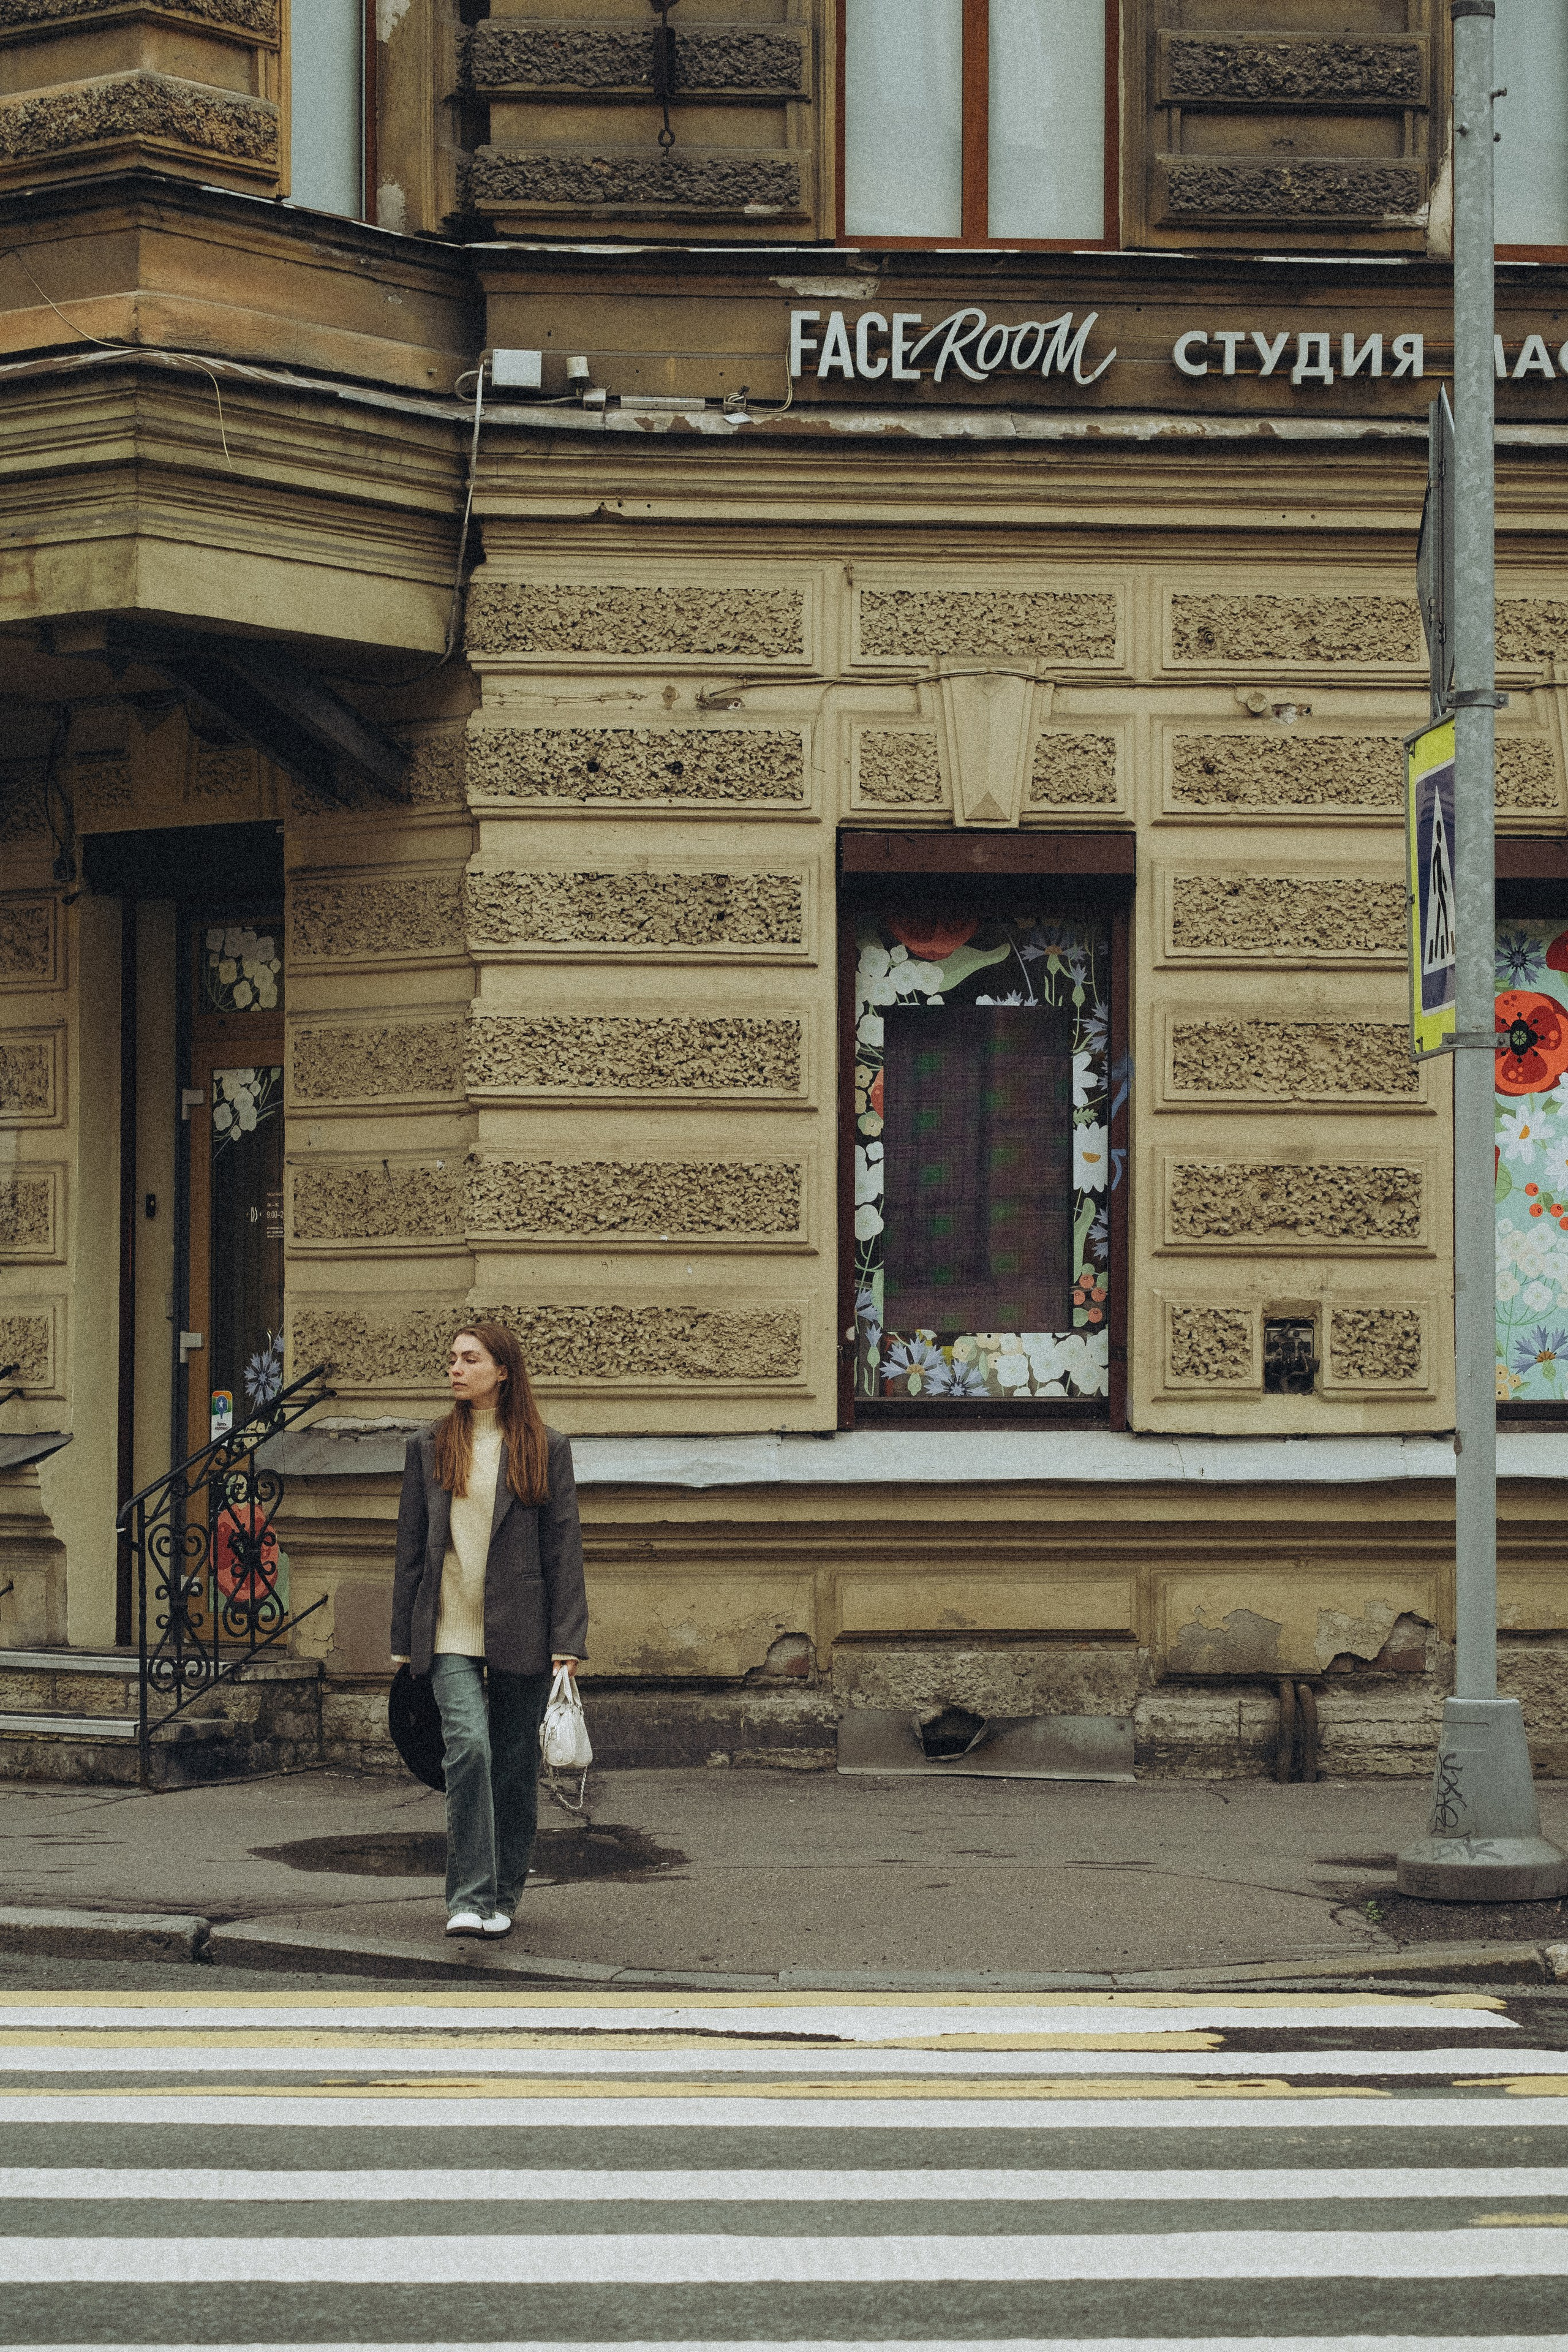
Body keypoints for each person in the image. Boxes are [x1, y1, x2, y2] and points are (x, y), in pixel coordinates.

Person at [391, 1322, 587, 1938]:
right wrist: (404, 1639)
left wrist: (568, 1639)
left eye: (469, 1359)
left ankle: (503, 1896)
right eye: (451, 1358)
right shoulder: (428, 1446)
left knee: (512, 1765)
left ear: (502, 1371)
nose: (455, 1368)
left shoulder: (543, 1447)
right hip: (447, 1627)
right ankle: (467, 1897)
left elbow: (564, 1547)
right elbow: (410, 1550)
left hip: (522, 1630)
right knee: (469, 1749)